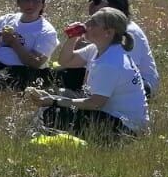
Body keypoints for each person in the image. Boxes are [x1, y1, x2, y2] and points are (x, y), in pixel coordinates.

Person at [27, 8, 149, 141]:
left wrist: (54, 101)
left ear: (108, 32)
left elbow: (95, 104)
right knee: (57, 96)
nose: (86, 25)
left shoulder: (109, 62)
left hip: (124, 128)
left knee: (53, 112)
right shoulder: (98, 49)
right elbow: (65, 61)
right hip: (109, 115)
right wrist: (73, 38)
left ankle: (40, 138)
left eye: (94, 23)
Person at [53, 0, 160, 97]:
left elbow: (127, 73)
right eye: (92, 0)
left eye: (97, 1)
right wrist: (74, 37)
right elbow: (69, 58)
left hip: (140, 85)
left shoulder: (129, 32)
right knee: (61, 75)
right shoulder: (100, 31)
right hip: (106, 75)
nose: (91, 4)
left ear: (111, 8)